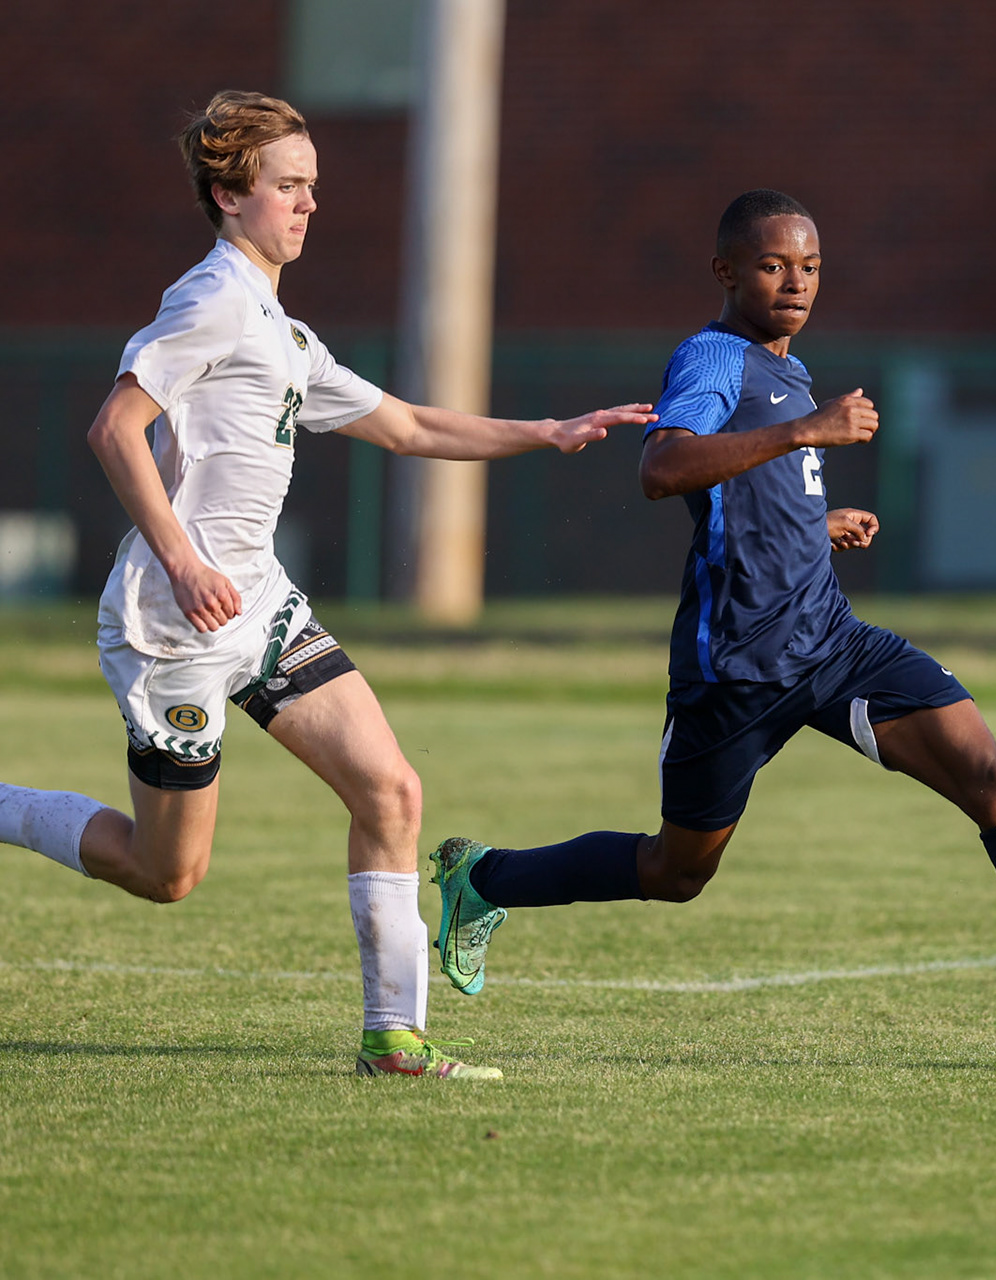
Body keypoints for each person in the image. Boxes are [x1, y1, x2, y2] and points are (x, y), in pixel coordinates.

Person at [428, 189, 996, 1068]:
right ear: (726, 271)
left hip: (835, 644)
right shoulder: (714, 356)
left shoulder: (789, 368)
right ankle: (482, 879)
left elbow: (746, 489)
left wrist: (814, 519)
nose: (796, 282)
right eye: (773, 265)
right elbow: (665, 467)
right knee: (676, 872)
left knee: (993, 779)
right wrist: (809, 430)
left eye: (809, 266)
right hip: (736, 665)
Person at [0, 91, 655, 1080]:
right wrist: (182, 556)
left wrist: (548, 432)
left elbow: (408, 426)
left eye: (312, 186)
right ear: (228, 196)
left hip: (258, 603)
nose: (308, 205)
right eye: (287, 187)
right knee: (165, 872)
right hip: (172, 624)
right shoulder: (211, 300)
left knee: (391, 787)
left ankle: (395, 1039)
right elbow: (112, 427)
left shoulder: (284, 333)